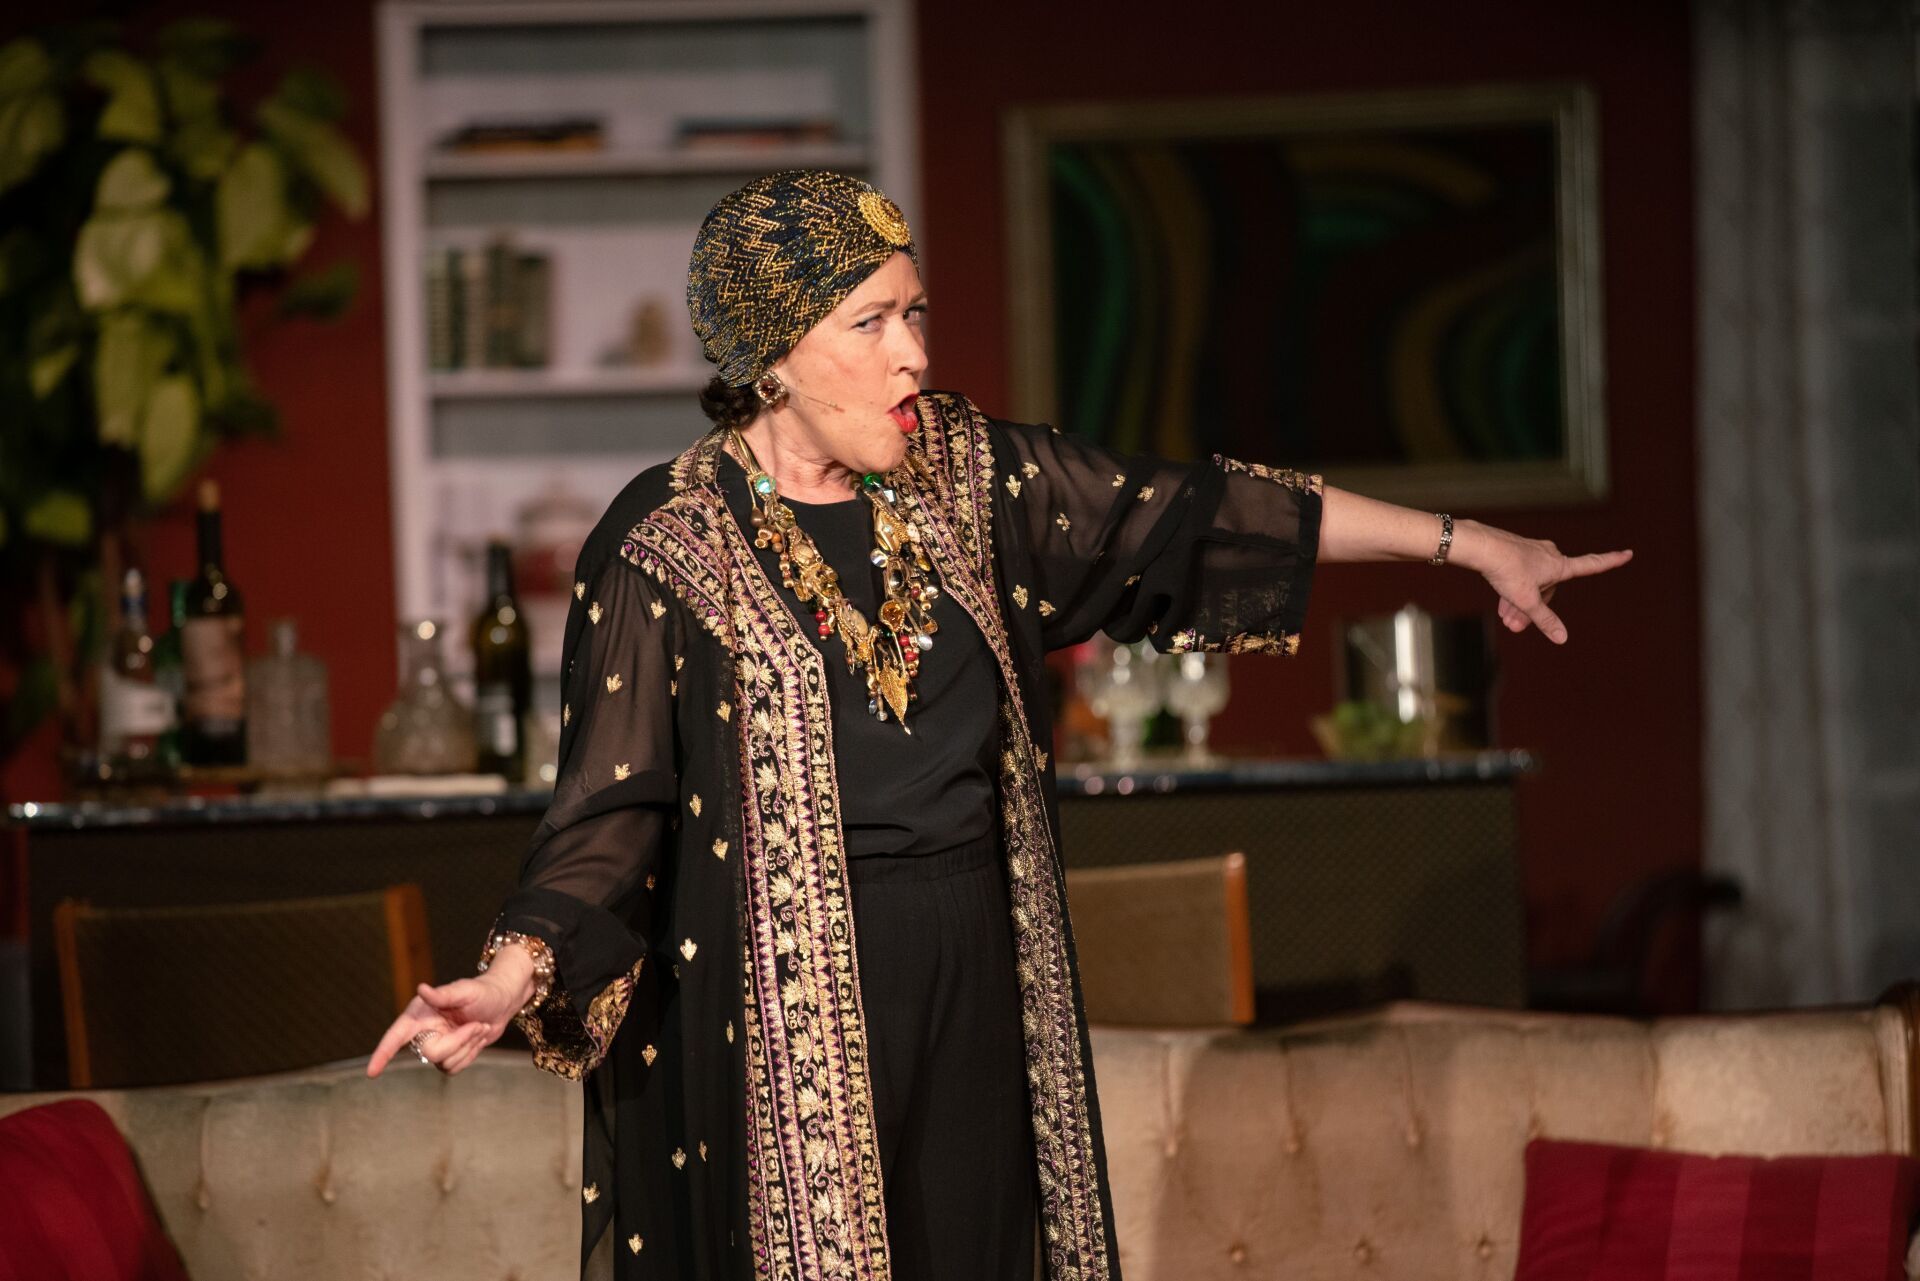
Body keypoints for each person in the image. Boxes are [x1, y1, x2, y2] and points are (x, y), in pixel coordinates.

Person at [367, 169, 1632, 1280]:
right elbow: (611, 812)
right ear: (774, 357)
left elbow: (1194, 515)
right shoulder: (666, 544)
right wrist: (510, 975)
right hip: (784, 1017)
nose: (912, 354)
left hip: (981, 975)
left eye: (915, 312)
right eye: (870, 323)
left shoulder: (970, 476)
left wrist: (1470, 545)